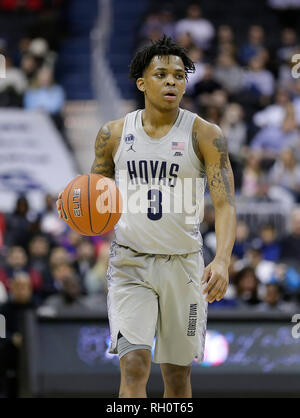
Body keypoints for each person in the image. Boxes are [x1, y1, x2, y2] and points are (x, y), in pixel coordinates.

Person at [56, 36, 236, 398]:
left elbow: (225, 203)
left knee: (177, 376)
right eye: (161, 74)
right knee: (134, 363)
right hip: (130, 263)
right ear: (142, 82)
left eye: (179, 75)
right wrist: (75, 212)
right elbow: (95, 193)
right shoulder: (113, 134)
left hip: (183, 266)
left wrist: (222, 260)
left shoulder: (205, 134)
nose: (172, 81)